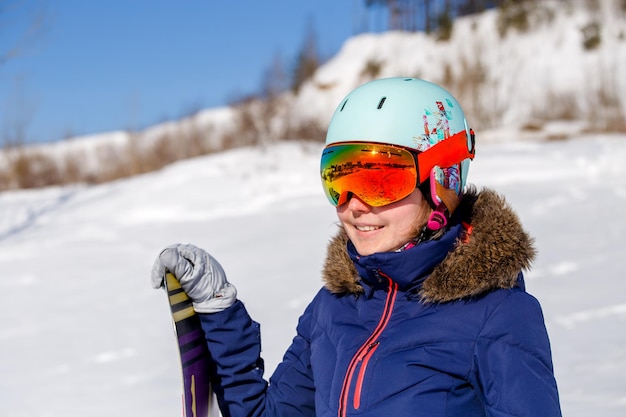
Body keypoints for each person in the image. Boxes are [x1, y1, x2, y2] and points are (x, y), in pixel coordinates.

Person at [152, 77, 562, 417]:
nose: (353, 206)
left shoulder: (498, 315)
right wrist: (220, 312)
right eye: (339, 179)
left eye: (380, 180)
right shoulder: (334, 307)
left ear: (442, 183)